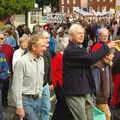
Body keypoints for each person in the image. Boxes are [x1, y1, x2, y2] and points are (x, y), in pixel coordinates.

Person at [63, 24, 115, 120]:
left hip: (85, 90)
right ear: (71, 36)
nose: (82, 35)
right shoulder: (71, 50)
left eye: (83, 33)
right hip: (76, 92)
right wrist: (107, 47)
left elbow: (89, 61)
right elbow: (91, 58)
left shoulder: (79, 48)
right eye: (79, 33)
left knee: (91, 117)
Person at [12, 32, 49, 120]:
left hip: (37, 100)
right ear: (33, 47)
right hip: (25, 101)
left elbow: (40, 80)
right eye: (42, 46)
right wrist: (19, 106)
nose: (45, 49)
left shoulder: (41, 60)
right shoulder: (21, 62)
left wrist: (39, 94)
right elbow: (16, 86)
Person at [51, 34, 73, 120]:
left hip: (68, 84)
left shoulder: (70, 56)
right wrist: (54, 83)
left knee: (63, 104)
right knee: (62, 103)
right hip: (59, 84)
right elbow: (52, 71)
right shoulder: (58, 56)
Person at [91, 49, 115, 120]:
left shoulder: (107, 65)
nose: (113, 56)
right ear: (106, 55)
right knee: (107, 116)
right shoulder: (97, 67)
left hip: (105, 99)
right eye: (112, 54)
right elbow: (95, 86)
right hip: (100, 99)